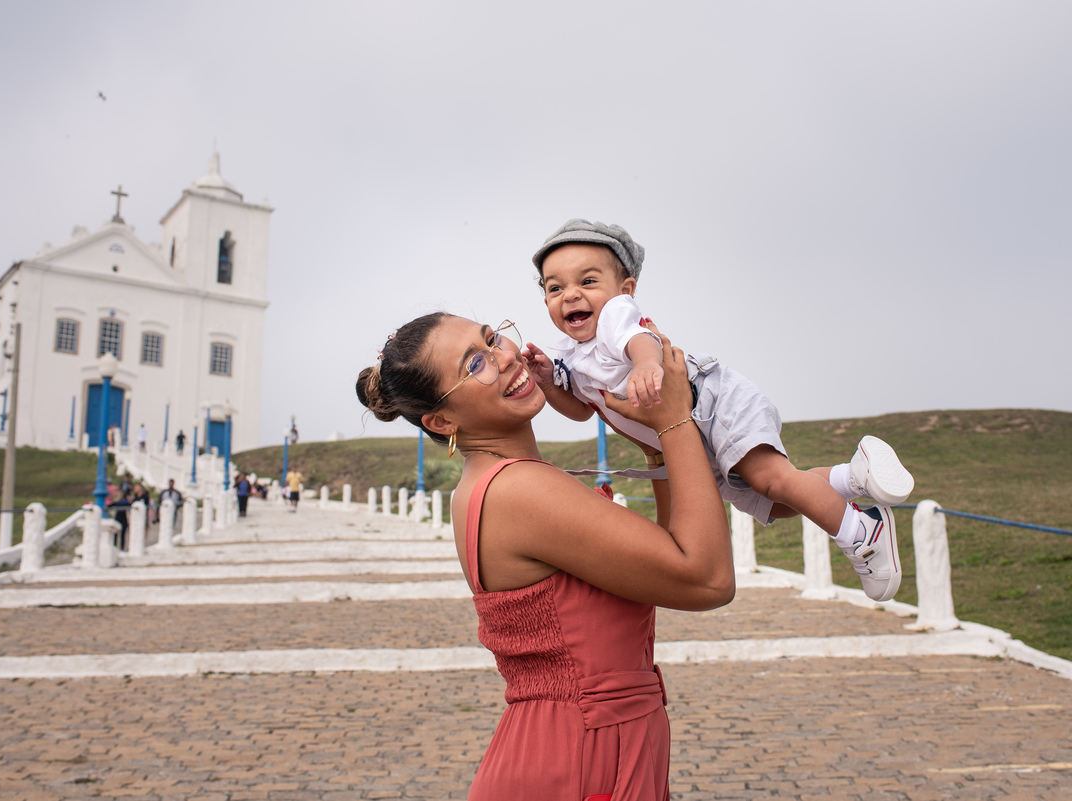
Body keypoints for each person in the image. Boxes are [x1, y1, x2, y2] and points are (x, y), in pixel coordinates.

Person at [357, 312, 733, 799]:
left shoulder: (490, 483)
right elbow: (706, 579)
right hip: (581, 757)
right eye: (475, 364)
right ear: (442, 421)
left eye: (493, 338)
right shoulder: (520, 489)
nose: (505, 357)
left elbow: (664, 561)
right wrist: (675, 419)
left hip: (576, 746)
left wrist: (654, 445)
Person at [524, 220, 915, 602]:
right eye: (555, 288)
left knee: (771, 479)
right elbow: (581, 412)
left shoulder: (615, 318)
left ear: (624, 290)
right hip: (691, 440)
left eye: (588, 281)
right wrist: (548, 384)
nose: (570, 295)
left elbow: (641, 340)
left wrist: (645, 364)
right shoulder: (571, 358)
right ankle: (853, 476)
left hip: (712, 404)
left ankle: (862, 532)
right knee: (776, 502)